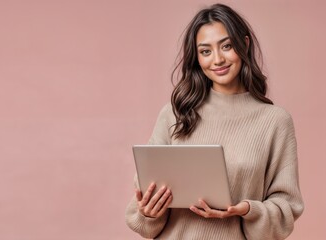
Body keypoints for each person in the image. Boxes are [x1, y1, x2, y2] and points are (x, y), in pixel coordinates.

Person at [125, 3, 304, 239]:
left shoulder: (275, 121)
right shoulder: (175, 113)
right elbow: (143, 205)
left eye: (227, 46)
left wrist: (248, 209)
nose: (218, 59)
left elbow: (286, 208)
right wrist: (148, 212)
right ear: (197, 58)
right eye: (205, 51)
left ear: (245, 44)